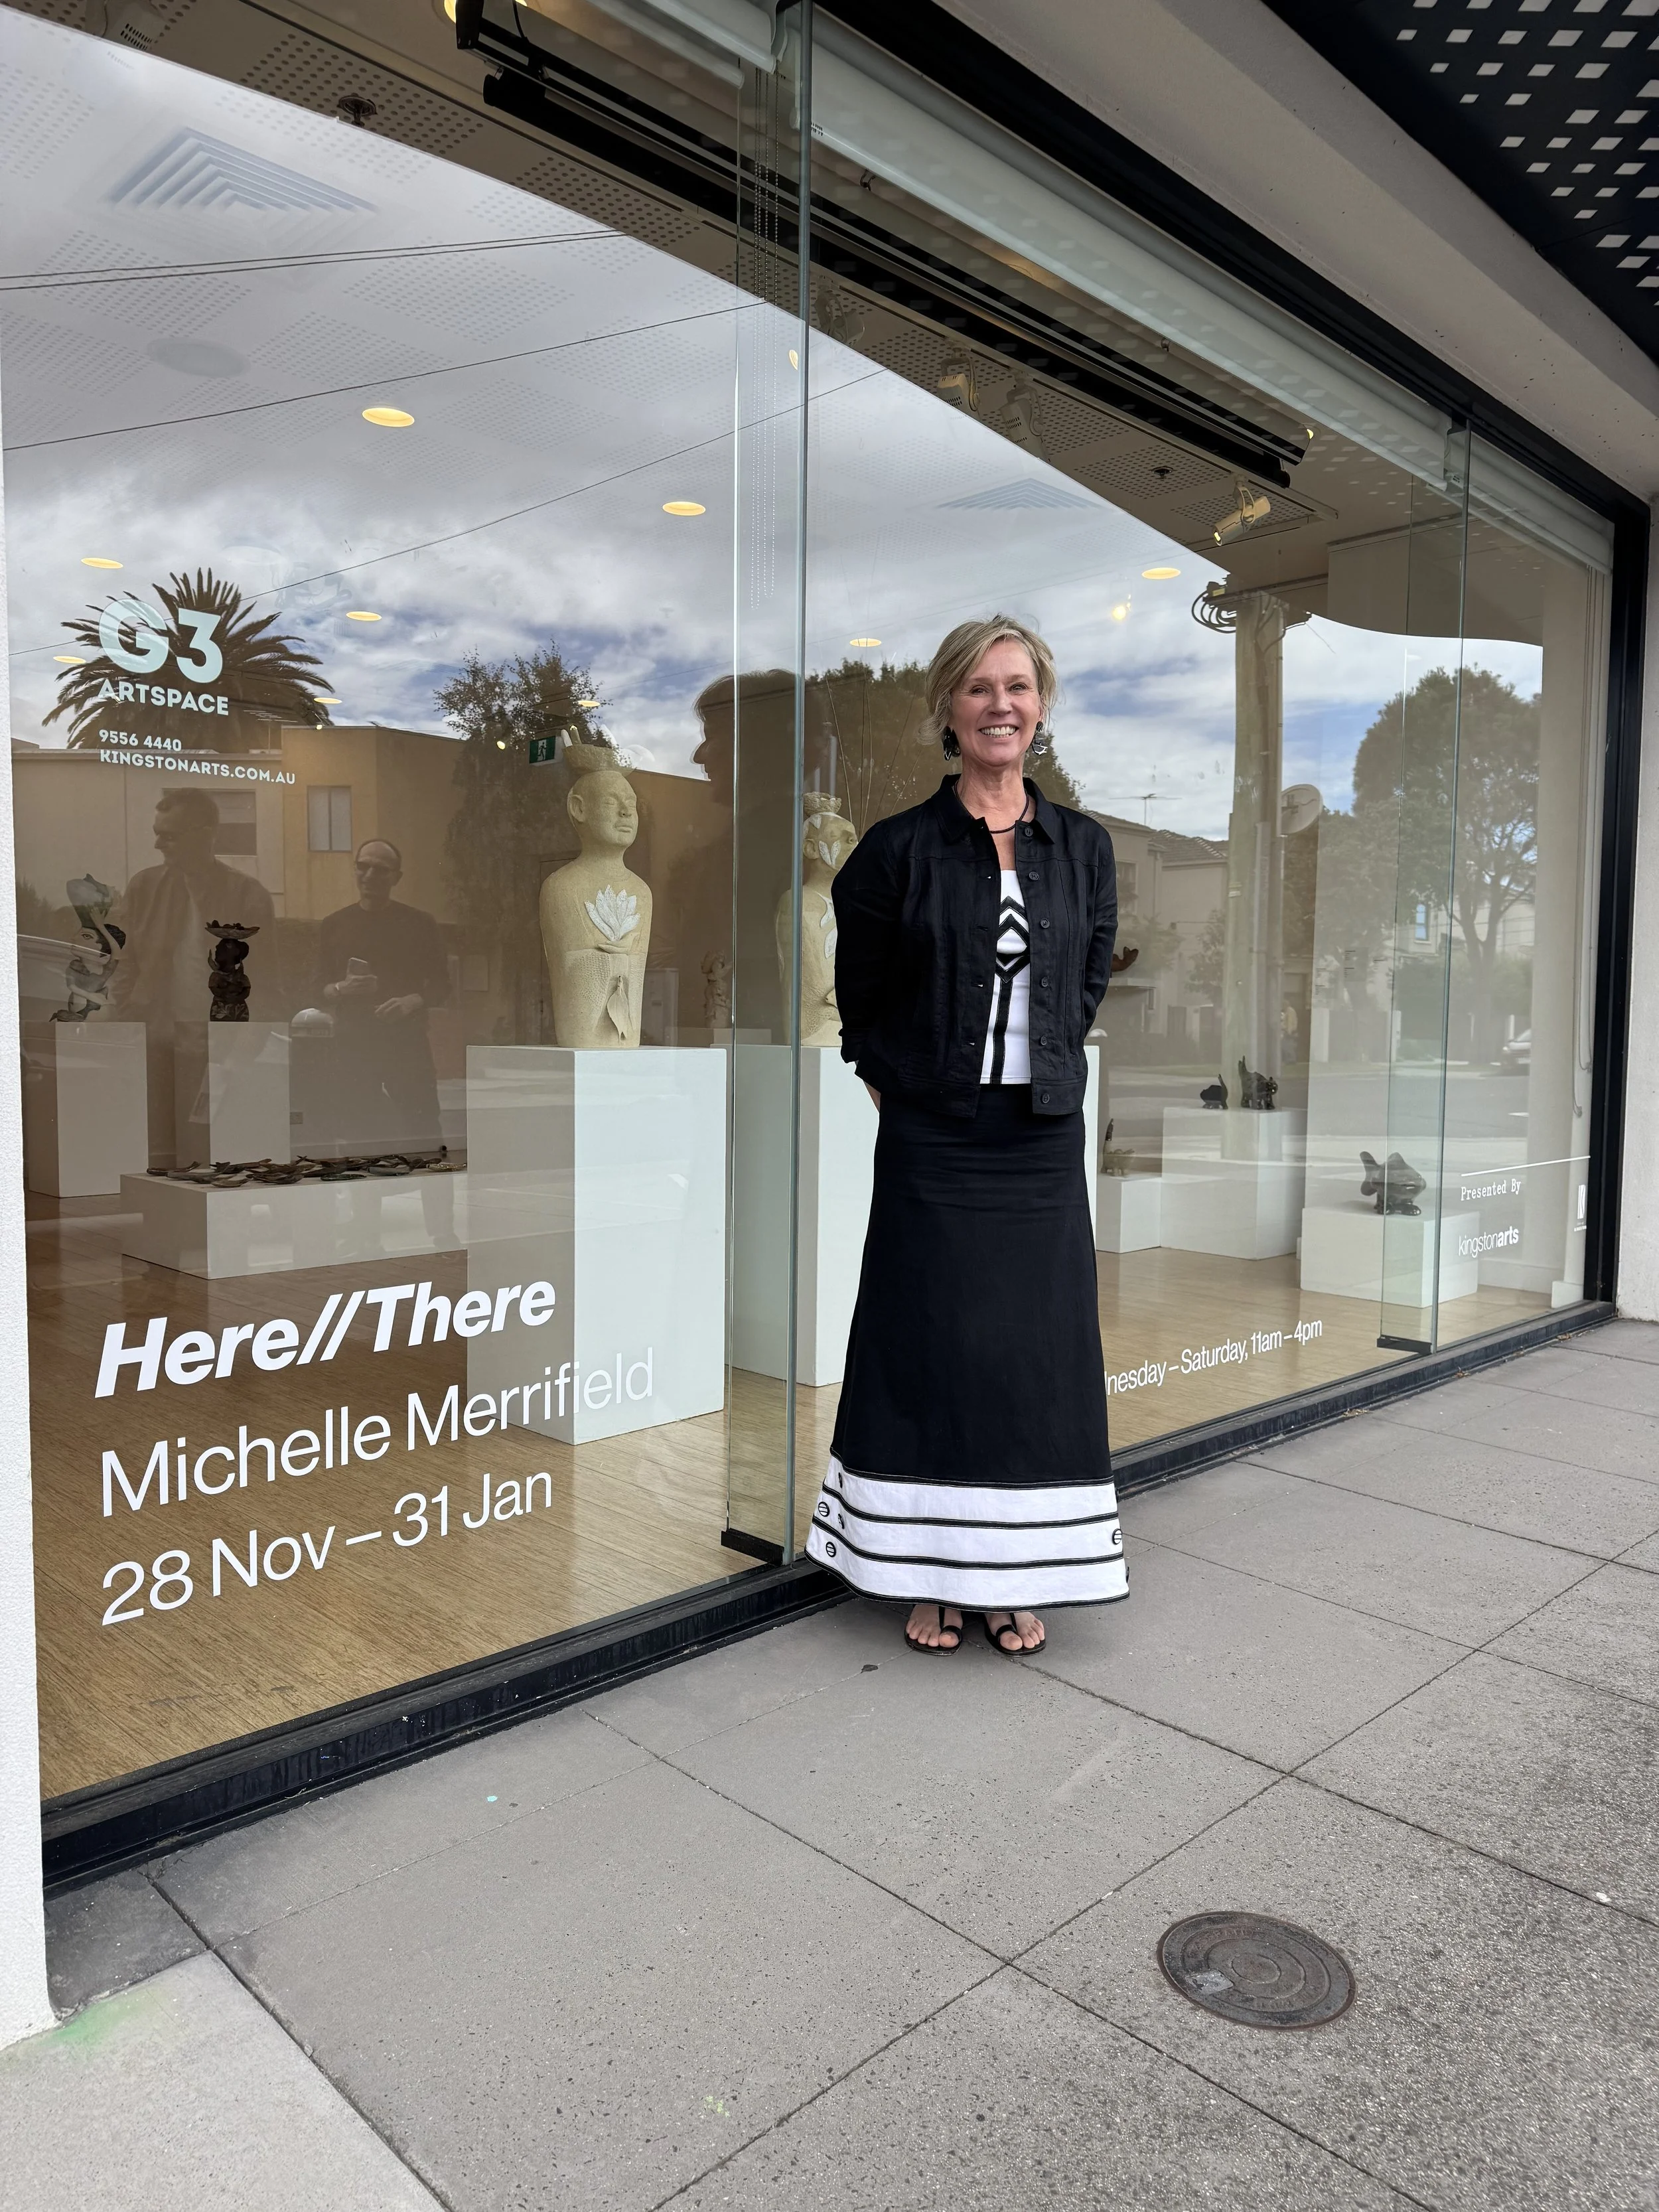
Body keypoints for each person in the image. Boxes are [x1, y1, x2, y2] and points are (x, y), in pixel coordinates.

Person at [804, 616, 1127, 1657]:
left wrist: (1052, 1068)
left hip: (1037, 1141)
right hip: (934, 1140)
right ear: (949, 706)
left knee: (1033, 1352)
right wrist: (905, 1091)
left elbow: (1084, 977)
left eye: (1019, 687)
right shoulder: (896, 850)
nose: (1002, 705)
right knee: (927, 1342)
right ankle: (926, 1572)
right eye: (981, 687)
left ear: (1042, 705)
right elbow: (861, 998)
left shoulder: (1083, 846)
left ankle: (1015, 1572)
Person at [100, 788, 277, 1167]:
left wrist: (240, 1056)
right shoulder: (145, 887)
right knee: (156, 1158)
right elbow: (126, 960)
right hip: (155, 1046)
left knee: (215, 1160)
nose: (158, 843)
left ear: (206, 834)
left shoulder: (247, 895)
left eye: (170, 835)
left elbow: (264, 983)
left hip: (216, 1053)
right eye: (157, 832)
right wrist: (129, 1014)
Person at [313, 839, 447, 1153]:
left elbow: (442, 985)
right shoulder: (334, 924)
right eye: (363, 866)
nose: (370, 875)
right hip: (354, 1046)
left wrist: (412, 1001)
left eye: (381, 869)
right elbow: (317, 987)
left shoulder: (419, 924)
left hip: (406, 1044)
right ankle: (366, 1204)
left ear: (396, 877)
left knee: (425, 1128)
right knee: (361, 1136)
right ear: (356, 870)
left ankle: (439, 1204)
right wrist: (341, 989)